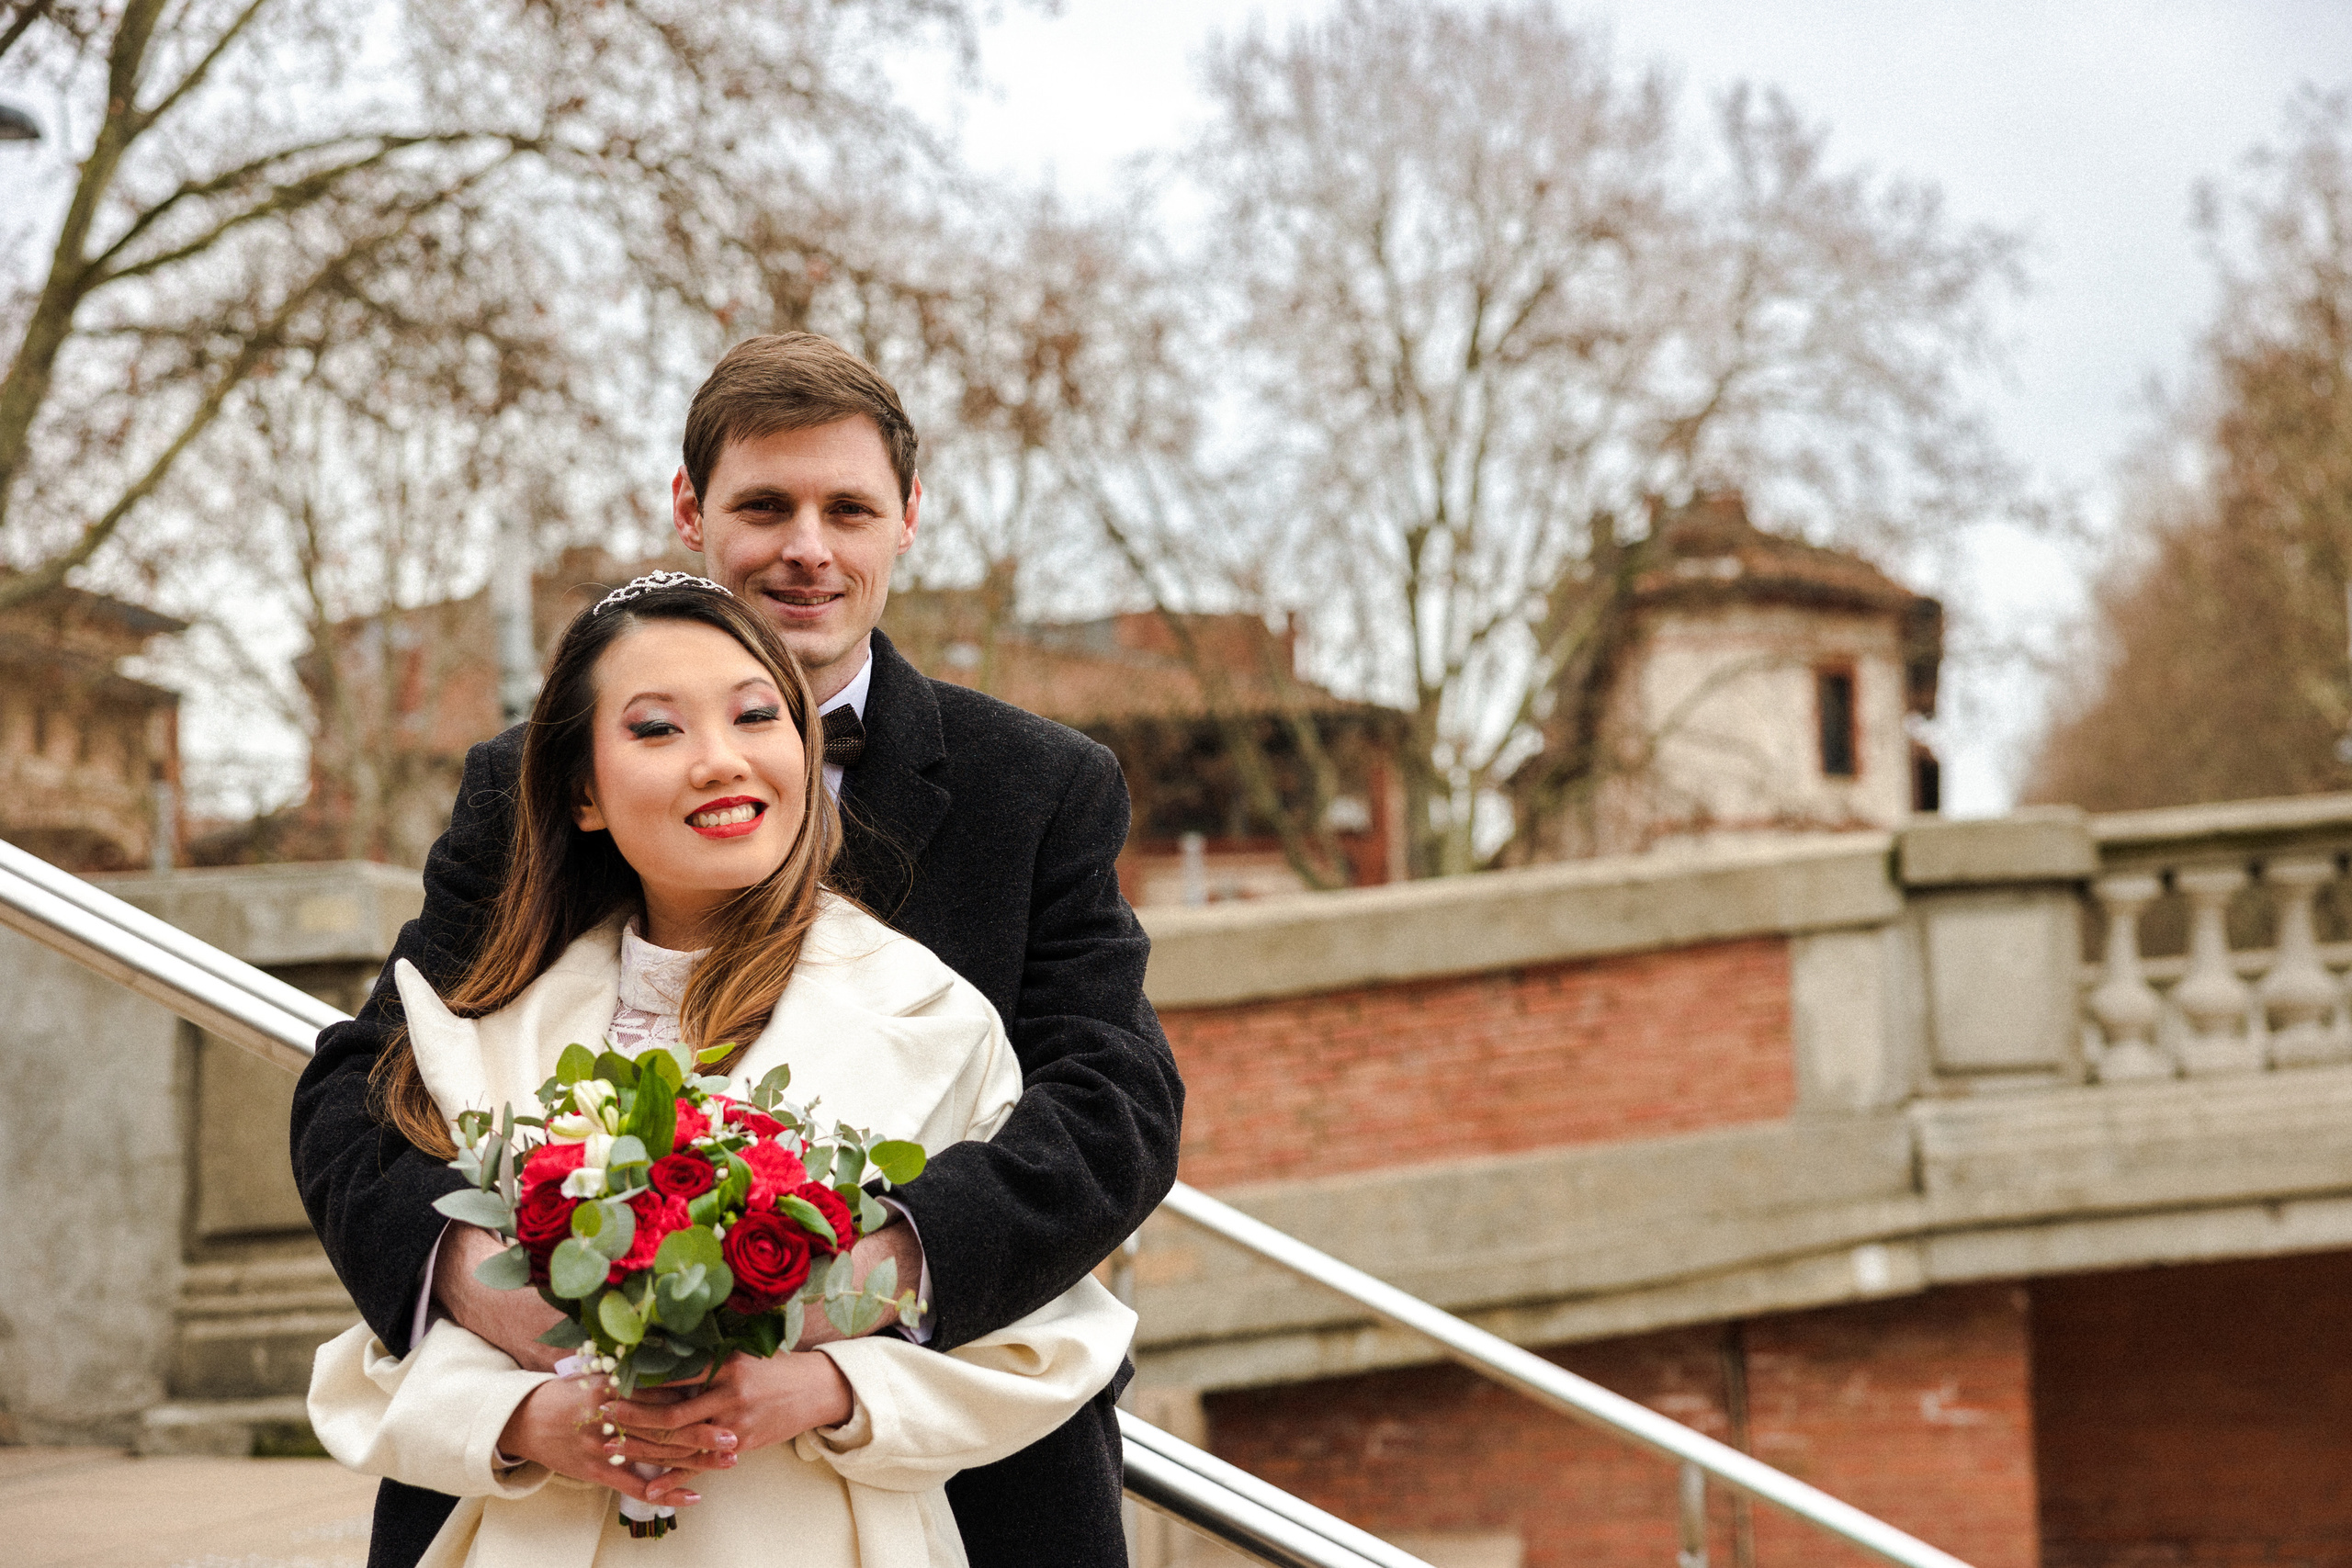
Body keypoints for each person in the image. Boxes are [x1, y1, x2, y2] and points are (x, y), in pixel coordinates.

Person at [292, 334, 1183, 1568]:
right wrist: (507, 1301)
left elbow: (1114, 1109)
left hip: (953, 1486)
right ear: (691, 510)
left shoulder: (1039, 785)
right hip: (551, 1491)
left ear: (908, 519)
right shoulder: (530, 779)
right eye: (765, 506)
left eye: (848, 509)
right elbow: (368, 1084)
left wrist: (822, 1304)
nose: (806, 547)